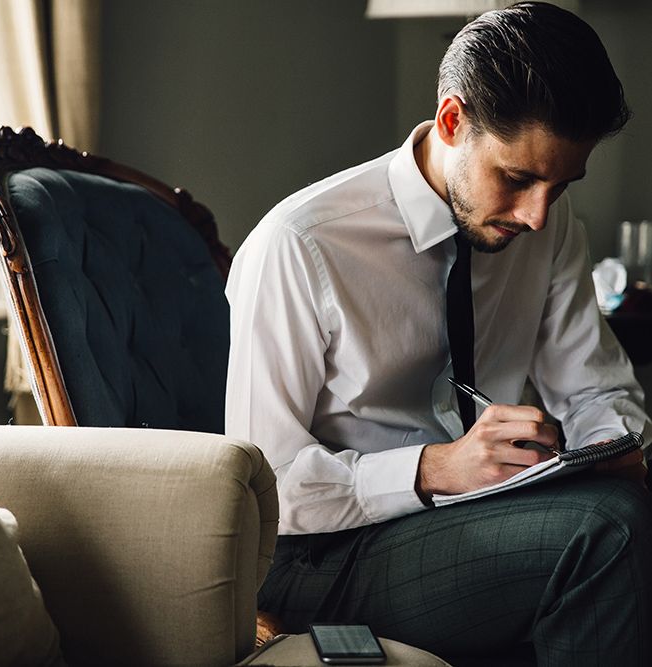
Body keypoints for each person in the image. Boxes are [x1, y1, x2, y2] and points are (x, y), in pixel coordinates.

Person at [225, 3, 652, 665]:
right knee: (606, 531)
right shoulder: (299, 243)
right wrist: (438, 468)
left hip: (473, 518)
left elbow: (596, 389)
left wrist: (613, 444)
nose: (538, 215)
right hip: (319, 554)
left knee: (621, 503)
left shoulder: (549, 225)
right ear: (452, 121)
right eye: (517, 178)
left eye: (560, 186)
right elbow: (266, 484)